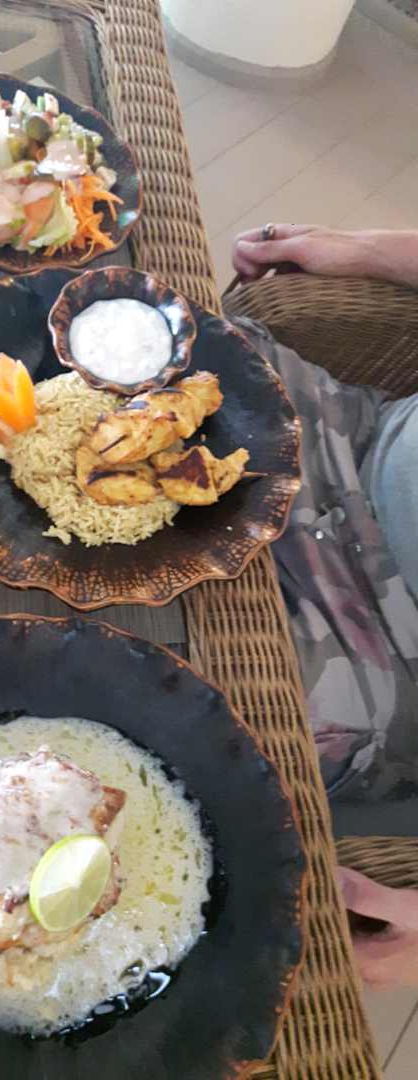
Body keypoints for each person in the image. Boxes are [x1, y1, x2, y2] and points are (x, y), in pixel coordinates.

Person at [230, 225, 418, 988]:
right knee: (170, 357)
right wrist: (360, 249)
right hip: (363, 439)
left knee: (218, 710)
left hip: (391, 650)